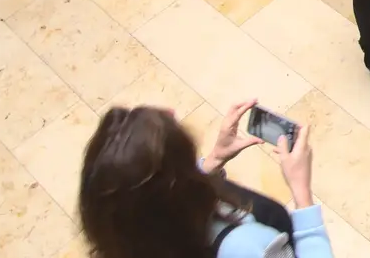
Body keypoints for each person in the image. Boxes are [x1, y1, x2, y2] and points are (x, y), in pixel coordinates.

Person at [79, 99, 331, 258]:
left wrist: (211, 163)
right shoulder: (248, 246)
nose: (171, 110)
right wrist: (302, 192)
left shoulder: (126, 235)